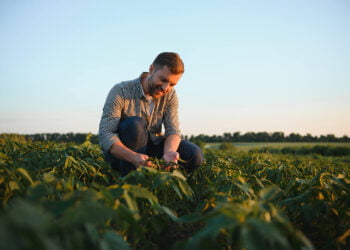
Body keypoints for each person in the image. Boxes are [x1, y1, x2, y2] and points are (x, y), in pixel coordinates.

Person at [98, 52, 204, 176]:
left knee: (194, 155)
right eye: (163, 80)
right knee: (135, 125)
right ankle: (131, 181)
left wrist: (169, 152)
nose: (166, 88)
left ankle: (164, 183)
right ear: (151, 69)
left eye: (172, 84)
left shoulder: (170, 95)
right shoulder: (121, 91)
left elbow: (173, 130)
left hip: (153, 146)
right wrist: (133, 157)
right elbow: (106, 134)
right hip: (124, 152)